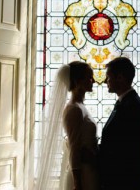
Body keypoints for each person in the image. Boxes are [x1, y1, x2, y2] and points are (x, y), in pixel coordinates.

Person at [36, 61, 100, 190]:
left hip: (90, 168)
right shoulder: (73, 109)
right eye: (89, 77)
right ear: (77, 81)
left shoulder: (81, 107)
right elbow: (74, 148)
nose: (93, 81)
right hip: (82, 174)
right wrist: (77, 183)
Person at [98, 57, 140, 190]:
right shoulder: (126, 102)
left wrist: (94, 152)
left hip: (123, 181)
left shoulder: (132, 106)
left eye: (108, 77)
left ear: (120, 77)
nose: (105, 81)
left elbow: (124, 148)